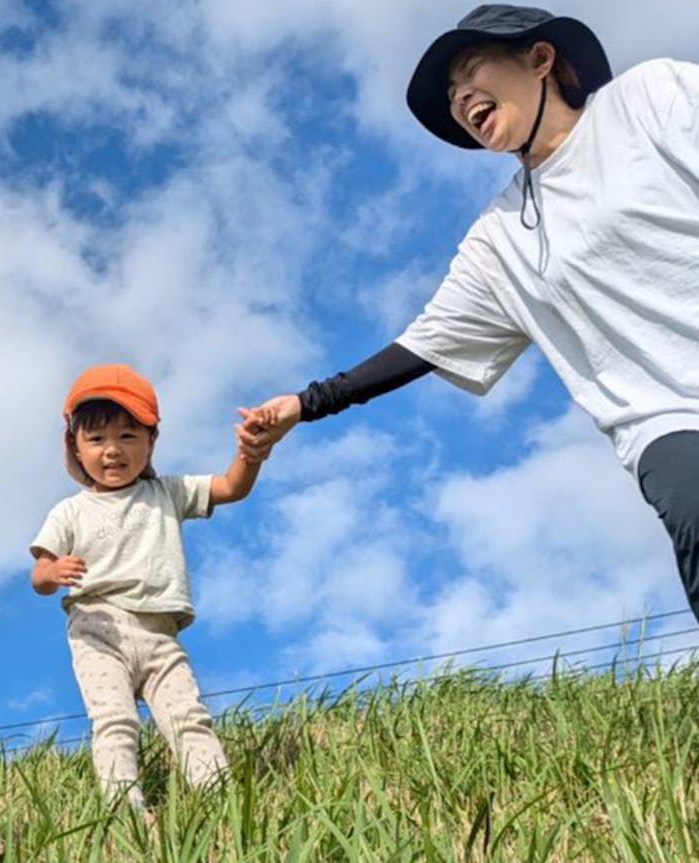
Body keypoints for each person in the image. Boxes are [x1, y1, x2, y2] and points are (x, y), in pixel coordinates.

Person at [240, 5, 699, 622]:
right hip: (663, 420)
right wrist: (305, 402)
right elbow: (423, 345)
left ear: (540, 60)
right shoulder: (497, 238)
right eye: (452, 96)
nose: (459, 98)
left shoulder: (649, 98)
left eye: (470, 71)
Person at [29, 363, 276, 808]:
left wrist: (251, 454)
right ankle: (126, 812)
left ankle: (220, 804)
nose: (113, 450)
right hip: (98, 628)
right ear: (75, 447)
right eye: (96, 439)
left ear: (151, 441)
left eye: (128, 436)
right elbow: (40, 576)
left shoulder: (167, 492)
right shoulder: (70, 511)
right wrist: (52, 572)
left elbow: (230, 487)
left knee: (189, 717)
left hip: (161, 633)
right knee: (115, 720)